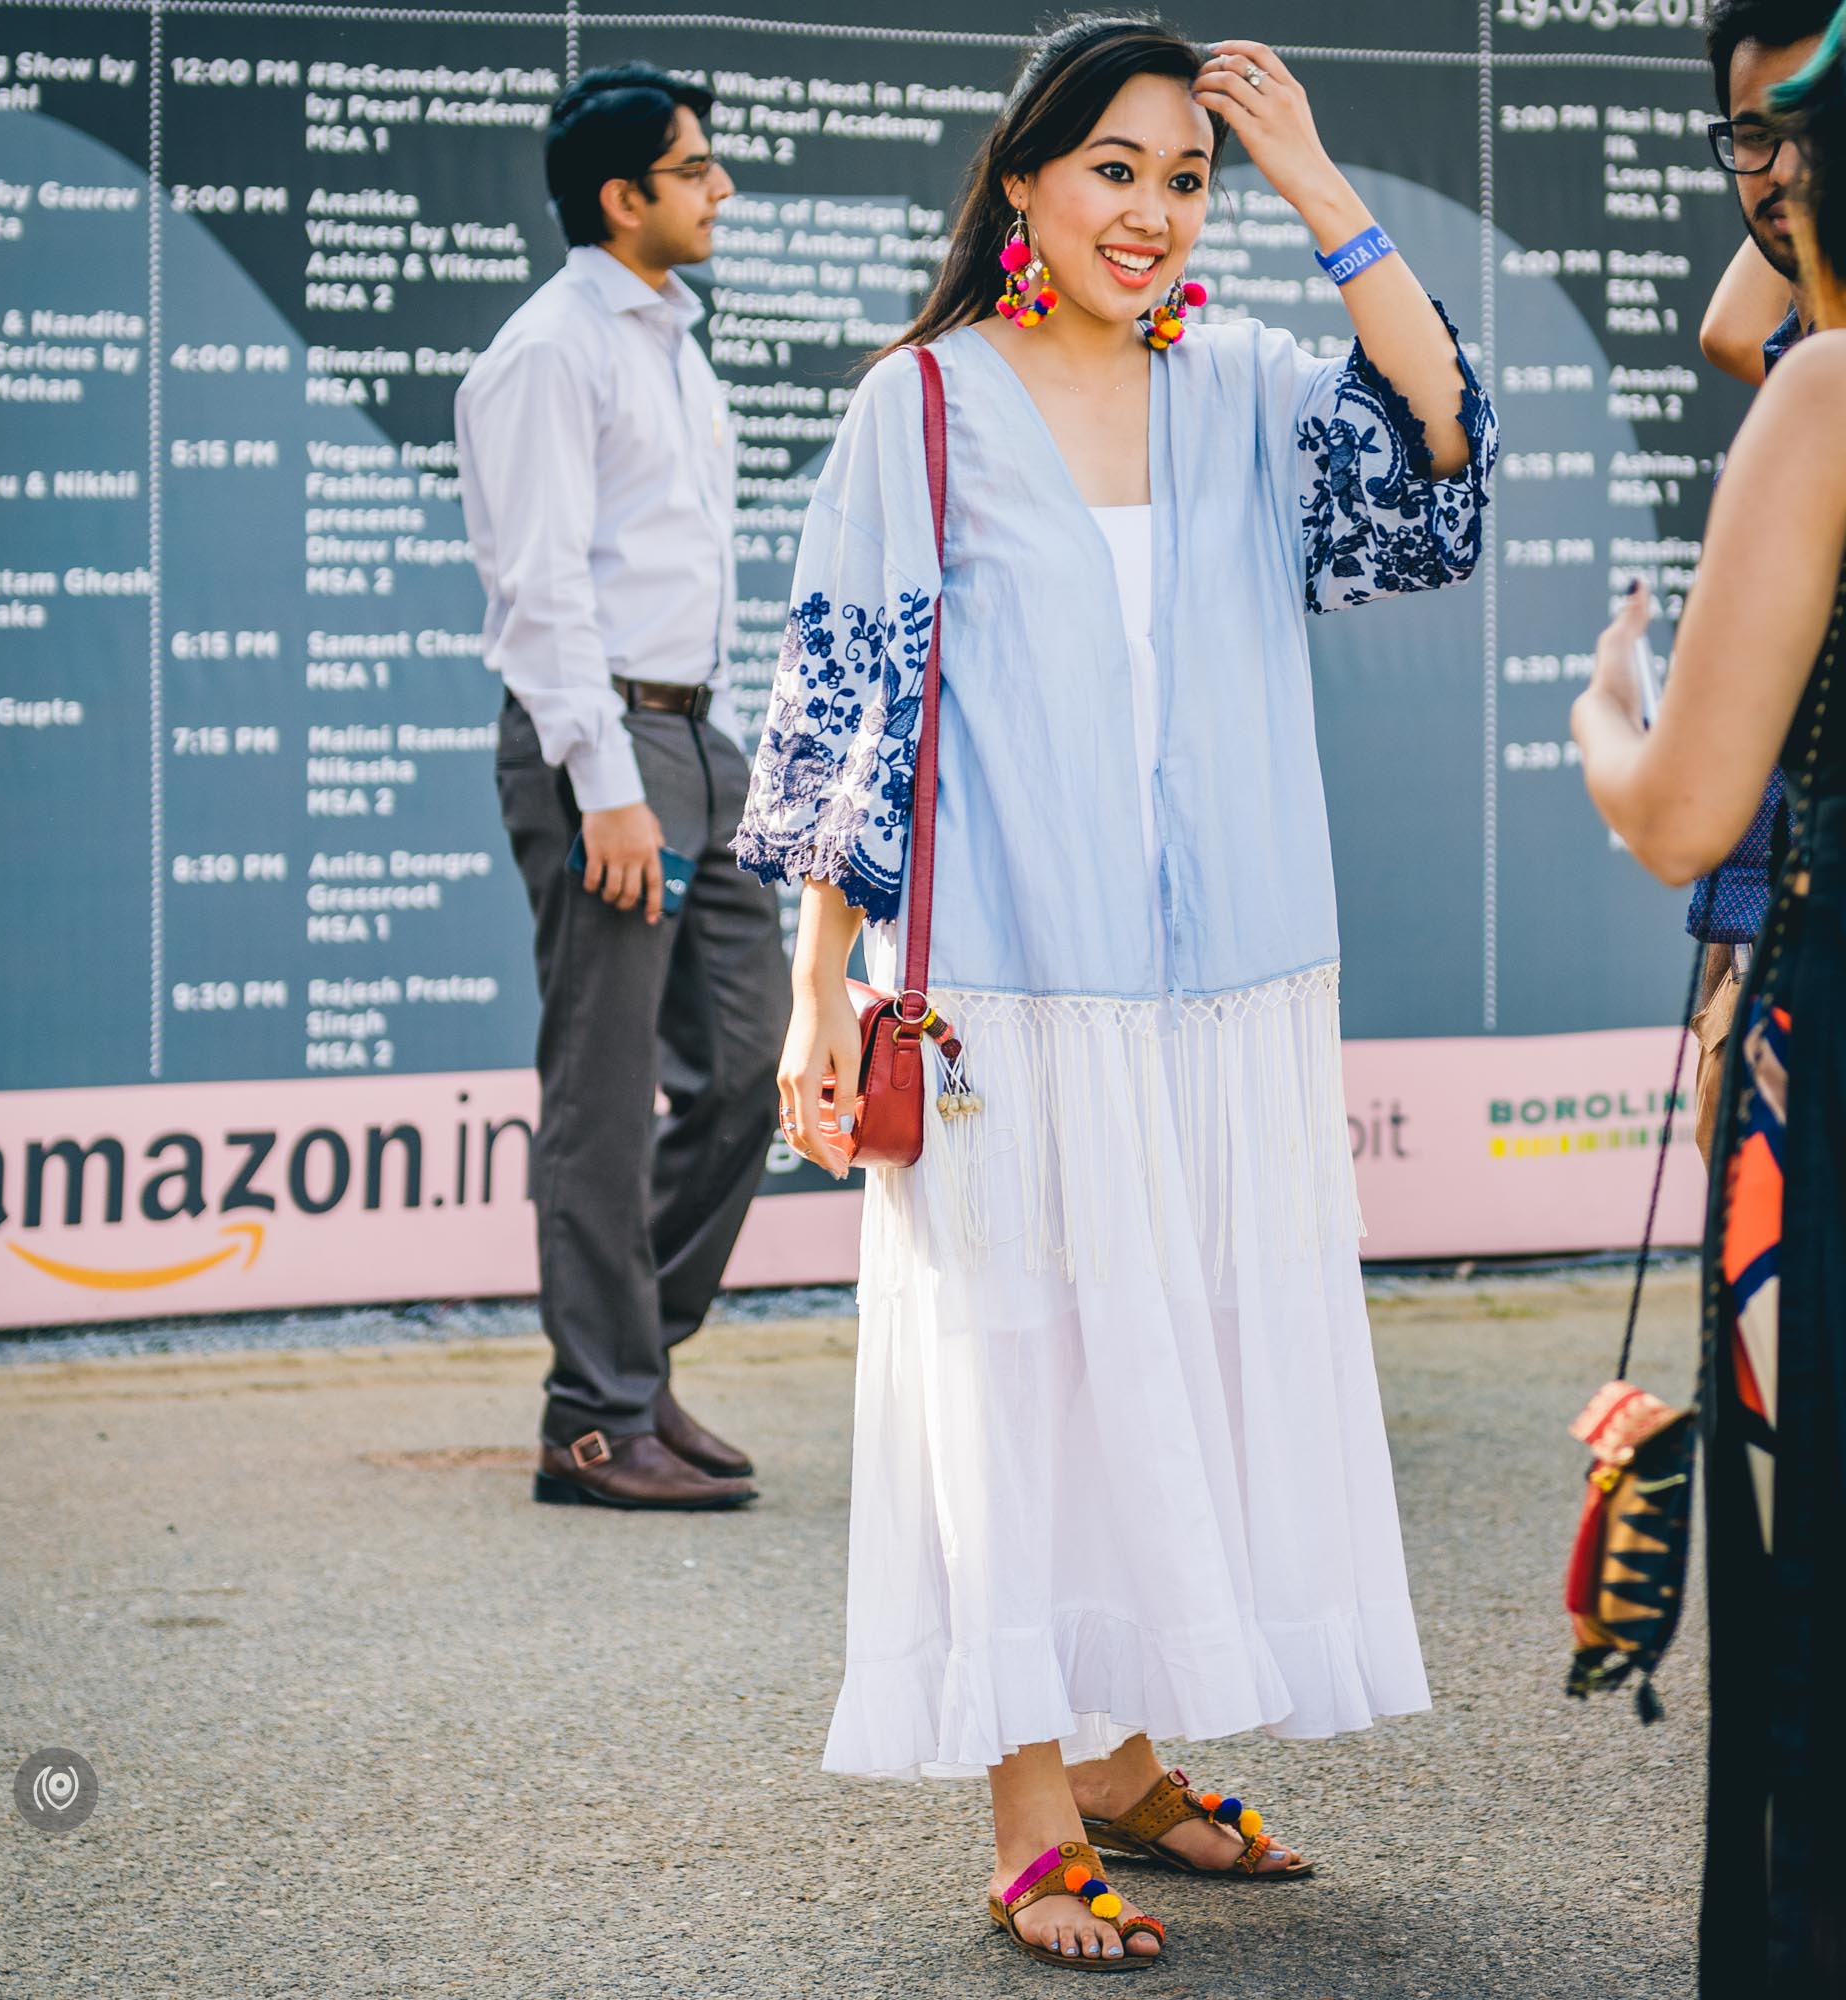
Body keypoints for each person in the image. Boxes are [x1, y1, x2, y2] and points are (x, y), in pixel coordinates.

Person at [735, 16, 1495, 1971]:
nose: (1152, 213)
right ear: (1019, 182)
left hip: (1226, 990)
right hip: (1000, 994)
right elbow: (840, 720)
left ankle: (1132, 1762)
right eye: (1113, 171)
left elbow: (1436, 464)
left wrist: (1320, 187)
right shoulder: (916, 404)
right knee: (1019, 1383)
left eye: (1186, 177)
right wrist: (823, 997)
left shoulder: (1241, 386)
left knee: (1174, 1366)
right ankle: (1024, 1805)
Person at [1572, 10, 1846, 1989]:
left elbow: (1683, 811)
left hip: (1827, 1050)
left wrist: (1604, 718)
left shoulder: (1826, 392)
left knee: (1813, 1584)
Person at [456, 64, 790, 1510]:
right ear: (623, 197)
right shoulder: (549, 351)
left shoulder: (669, 342)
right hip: (605, 751)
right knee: (602, 1090)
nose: (721, 189)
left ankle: (637, 1367)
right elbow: (537, 594)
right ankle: (594, 1422)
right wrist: (606, 783)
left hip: (697, 743)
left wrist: (698, 758)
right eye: (697, 168)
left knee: (748, 1062)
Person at [1688, 0, 1834, 1160]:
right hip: (1780, 913)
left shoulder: (1817, 388)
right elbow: (1726, 328)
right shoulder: (1802, 350)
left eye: (1813, 124)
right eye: (1746, 133)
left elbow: (1670, 806)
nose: (1774, 167)